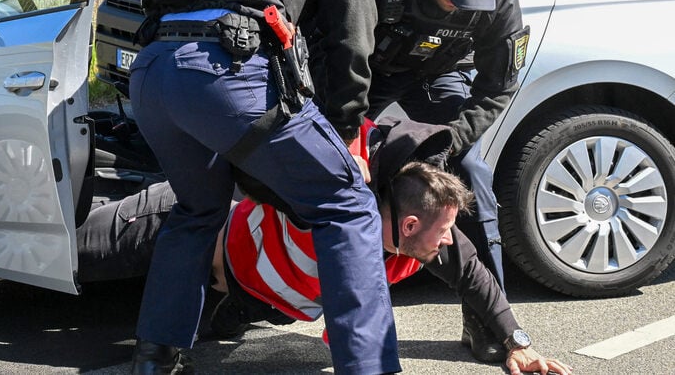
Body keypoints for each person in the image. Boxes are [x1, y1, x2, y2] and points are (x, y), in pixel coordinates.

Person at [126, 0, 394, 374]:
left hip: (154, 73)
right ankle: (369, 367)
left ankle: (153, 358)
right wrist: (346, 129)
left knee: (197, 210)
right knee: (348, 204)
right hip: (227, 70)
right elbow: (352, 25)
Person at [76, 118, 572, 375]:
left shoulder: (421, 239)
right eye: (442, 231)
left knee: (106, 324)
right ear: (409, 223)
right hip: (185, 227)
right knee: (63, 258)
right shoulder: (331, 214)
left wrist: (519, 345)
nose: (448, 242)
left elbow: (476, 277)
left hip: (235, 299)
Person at [355, 0, 530, 362]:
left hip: (439, 78)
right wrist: (351, 130)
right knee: (354, 168)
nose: (460, 2)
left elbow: (498, 87)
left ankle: (488, 322)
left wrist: (449, 142)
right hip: (367, 80)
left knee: (470, 171)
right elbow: (334, 55)